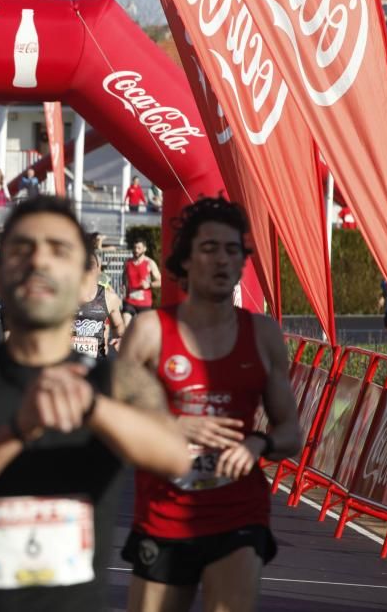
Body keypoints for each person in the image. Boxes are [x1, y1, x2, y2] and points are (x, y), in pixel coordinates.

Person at [0, 195, 190, 611]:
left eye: (58, 251)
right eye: (23, 250)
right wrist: (17, 431)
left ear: (83, 281)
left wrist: (93, 408)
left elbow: (174, 457)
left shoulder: (119, 380)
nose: (40, 262)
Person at [118, 197, 302, 612]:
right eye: (209, 249)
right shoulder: (150, 331)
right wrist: (171, 428)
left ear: (242, 263)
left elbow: (290, 432)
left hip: (238, 510)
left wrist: (258, 445)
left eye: (232, 250)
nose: (222, 260)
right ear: (184, 261)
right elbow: (112, 418)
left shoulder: (263, 334)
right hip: (164, 510)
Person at [73, 250, 125, 359]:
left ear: (98, 268)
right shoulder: (64, 295)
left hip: (96, 362)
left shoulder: (109, 298)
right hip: (68, 363)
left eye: (90, 264)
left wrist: (120, 338)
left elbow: (118, 325)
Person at [122, 238, 161, 327]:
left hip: (144, 303)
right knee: (125, 327)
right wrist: (124, 286)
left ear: (144, 249)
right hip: (129, 301)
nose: (136, 250)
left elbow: (160, 281)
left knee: (143, 331)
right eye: (135, 248)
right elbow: (124, 276)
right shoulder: (127, 262)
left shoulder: (149, 263)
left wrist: (149, 284)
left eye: (139, 248)